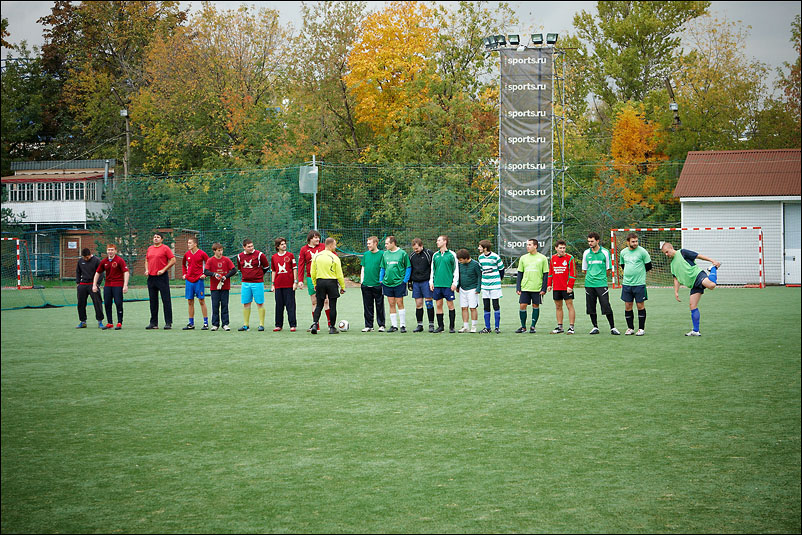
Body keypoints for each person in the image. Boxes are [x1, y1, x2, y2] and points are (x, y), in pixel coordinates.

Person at [661, 242, 721, 336]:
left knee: (712, 285)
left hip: (698, 275)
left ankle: (713, 268)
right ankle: (695, 331)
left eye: (667, 252)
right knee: (692, 306)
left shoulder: (683, 252)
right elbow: (676, 279)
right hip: (693, 285)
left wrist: (712, 260)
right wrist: (676, 292)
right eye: (665, 253)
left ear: (671, 248)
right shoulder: (672, 265)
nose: (666, 254)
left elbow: (698, 256)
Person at [582, 232, 620, 335]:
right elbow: (585, 269)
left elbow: (608, 269)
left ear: (597, 241)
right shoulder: (586, 253)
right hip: (589, 284)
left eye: (592, 241)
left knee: (606, 305)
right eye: (589, 241)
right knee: (591, 307)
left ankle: (613, 327)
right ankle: (595, 327)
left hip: (601, 284)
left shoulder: (605, 252)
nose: (590, 243)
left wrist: (601, 277)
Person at [310, 237, 346, 334]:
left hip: (320, 282)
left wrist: (315, 283)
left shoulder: (317, 256)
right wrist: (343, 287)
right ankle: (332, 327)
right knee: (332, 305)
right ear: (330, 245)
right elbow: (339, 274)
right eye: (334, 245)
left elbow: (312, 272)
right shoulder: (334, 257)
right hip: (331, 282)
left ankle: (314, 324)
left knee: (319, 305)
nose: (335, 247)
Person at [619, 233, 652, 336]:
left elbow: (649, 266)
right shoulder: (623, 252)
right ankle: (630, 328)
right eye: (633, 241)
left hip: (639, 284)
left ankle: (641, 329)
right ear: (628, 242)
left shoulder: (642, 252)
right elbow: (623, 265)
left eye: (636, 241)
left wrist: (639, 274)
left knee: (640, 305)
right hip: (626, 284)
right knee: (628, 306)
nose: (635, 243)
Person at [515, 238, 549, 333]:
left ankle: (533, 326)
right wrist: (518, 287)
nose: (527, 246)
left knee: (535, 305)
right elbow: (520, 273)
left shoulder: (542, 258)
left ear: (535, 246)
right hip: (525, 287)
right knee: (522, 306)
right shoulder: (523, 258)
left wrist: (544, 288)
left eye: (530, 245)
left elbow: (546, 274)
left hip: (537, 287)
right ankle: (523, 327)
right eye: (527, 245)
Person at [92, 244, 129, 330]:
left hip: (118, 285)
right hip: (108, 286)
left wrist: (125, 285)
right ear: (107, 251)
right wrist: (94, 284)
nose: (110, 251)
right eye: (109, 250)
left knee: (118, 303)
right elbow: (97, 272)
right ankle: (110, 323)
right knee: (107, 303)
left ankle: (119, 322)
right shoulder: (104, 261)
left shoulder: (119, 260)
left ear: (115, 251)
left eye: (112, 250)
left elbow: (126, 272)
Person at [236, 238, 270, 331]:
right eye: (249, 246)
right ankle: (246, 324)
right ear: (244, 247)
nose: (251, 248)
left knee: (259, 303)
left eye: (252, 246)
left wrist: (258, 275)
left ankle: (261, 325)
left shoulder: (260, 255)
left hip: (257, 283)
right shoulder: (239, 256)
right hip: (245, 283)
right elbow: (240, 268)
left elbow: (266, 267)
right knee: (246, 303)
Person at [379, 235, 411, 333]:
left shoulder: (402, 254)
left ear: (393, 243)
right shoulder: (385, 254)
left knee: (399, 303)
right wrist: (381, 279)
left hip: (399, 283)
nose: (386, 245)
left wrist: (405, 280)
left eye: (387, 243)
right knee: (391, 303)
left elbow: (408, 267)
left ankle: (402, 325)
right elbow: (383, 268)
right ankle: (394, 325)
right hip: (387, 283)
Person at [145, 232, 176, 330]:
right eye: (154, 237)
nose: (156, 239)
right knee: (153, 301)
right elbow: (146, 260)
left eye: (158, 237)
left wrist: (164, 269)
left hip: (162, 277)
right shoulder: (150, 248)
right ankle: (153, 323)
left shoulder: (165, 248)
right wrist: (147, 270)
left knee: (166, 300)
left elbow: (173, 260)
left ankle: (168, 322)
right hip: (151, 278)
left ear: (161, 239)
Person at [298, 230, 328, 330]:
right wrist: (300, 280)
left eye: (318, 237)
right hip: (311, 278)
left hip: (324, 277)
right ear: (310, 239)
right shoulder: (303, 249)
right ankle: (316, 325)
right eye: (315, 237)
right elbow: (301, 265)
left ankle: (330, 324)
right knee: (314, 301)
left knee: (326, 301)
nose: (318, 239)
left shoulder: (323, 246)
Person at [429, 235, 459, 333]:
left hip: (448, 285)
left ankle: (451, 327)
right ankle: (440, 326)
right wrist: (431, 282)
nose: (437, 242)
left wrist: (455, 283)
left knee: (450, 305)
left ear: (445, 242)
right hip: (437, 284)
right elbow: (433, 270)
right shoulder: (435, 255)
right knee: (438, 305)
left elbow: (456, 270)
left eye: (439, 240)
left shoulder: (452, 254)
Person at [204, 243, 236, 331]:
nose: (220, 252)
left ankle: (225, 324)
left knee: (225, 305)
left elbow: (234, 270)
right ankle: (215, 324)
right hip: (214, 288)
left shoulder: (226, 260)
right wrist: (214, 274)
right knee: (215, 305)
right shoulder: (210, 260)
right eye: (218, 250)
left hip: (225, 287)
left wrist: (226, 276)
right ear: (214, 251)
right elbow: (206, 271)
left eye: (221, 250)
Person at [547, 239, 577, 335]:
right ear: (556, 248)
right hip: (556, 287)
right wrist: (549, 284)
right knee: (558, 307)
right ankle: (560, 327)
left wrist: (570, 286)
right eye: (560, 248)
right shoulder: (553, 258)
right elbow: (551, 273)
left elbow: (573, 274)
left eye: (564, 248)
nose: (562, 250)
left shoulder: (570, 258)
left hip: (566, 288)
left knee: (569, 306)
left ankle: (571, 327)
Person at [181, 236, 209, 330]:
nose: (188, 245)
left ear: (195, 244)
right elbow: (183, 264)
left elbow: (209, 263)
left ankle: (205, 323)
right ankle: (191, 323)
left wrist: (205, 274)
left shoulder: (202, 253)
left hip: (199, 281)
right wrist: (184, 274)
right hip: (189, 281)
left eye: (190, 243)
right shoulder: (187, 254)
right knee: (190, 301)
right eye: (188, 243)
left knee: (201, 301)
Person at [271, 237, 298, 332]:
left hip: (289, 285)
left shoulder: (290, 256)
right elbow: (274, 271)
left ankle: (292, 325)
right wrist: (273, 284)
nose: (284, 245)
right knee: (279, 306)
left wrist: (295, 282)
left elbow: (294, 269)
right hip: (278, 285)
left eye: (285, 243)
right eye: (282, 244)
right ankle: (278, 325)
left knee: (290, 306)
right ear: (278, 246)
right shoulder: (274, 257)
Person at [477, 239, 504, 334]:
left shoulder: (495, 257)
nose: (478, 248)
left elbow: (501, 269)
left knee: (496, 305)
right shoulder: (480, 258)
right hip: (485, 285)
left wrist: (497, 280)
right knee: (486, 306)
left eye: (480, 246)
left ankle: (497, 327)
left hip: (495, 286)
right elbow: (481, 270)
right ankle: (487, 327)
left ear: (485, 248)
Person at [360, 236, 386, 332]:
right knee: (367, 306)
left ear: (375, 243)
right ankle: (368, 326)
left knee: (379, 305)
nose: (368, 245)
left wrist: (381, 281)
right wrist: (362, 282)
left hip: (378, 285)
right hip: (366, 285)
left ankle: (381, 325)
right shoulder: (366, 254)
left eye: (369, 243)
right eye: (367, 243)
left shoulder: (382, 254)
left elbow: (384, 269)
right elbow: (363, 268)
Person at [409, 238, 435, 332]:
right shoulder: (412, 256)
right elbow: (410, 269)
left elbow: (433, 268)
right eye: (414, 249)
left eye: (417, 248)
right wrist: (410, 282)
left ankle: (431, 324)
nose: (415, 250)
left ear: (421, 246)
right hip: (416, 283)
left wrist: (432, 281)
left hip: (426, 282)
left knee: (429, 303)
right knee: (418, 304)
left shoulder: (429, 254)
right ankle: (419, 325)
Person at [75, 247, 105, 329]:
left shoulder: (96, 260)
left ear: (90, 255)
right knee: (81, 304)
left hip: (93, 284)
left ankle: (100, 321)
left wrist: (97, 284)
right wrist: (78, 283)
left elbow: (101, 273)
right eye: (84, 257)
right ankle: (83, 321)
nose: (85, 259)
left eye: (87, 257)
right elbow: (78, 272)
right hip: (83, 284)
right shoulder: (80, 261)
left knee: (97, 303)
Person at [456, 248, 482, 333]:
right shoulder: (460, 265)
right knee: (464, 308)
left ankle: (473, 326)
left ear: (466, 258)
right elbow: (458, 276)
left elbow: (479, 276)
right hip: (462, 289)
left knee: (472, 308)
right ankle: (465, 326)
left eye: (461, 260)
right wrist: (458, 286)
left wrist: (478, 288)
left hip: (473, 289)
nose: (459, 261)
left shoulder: (475, 264)